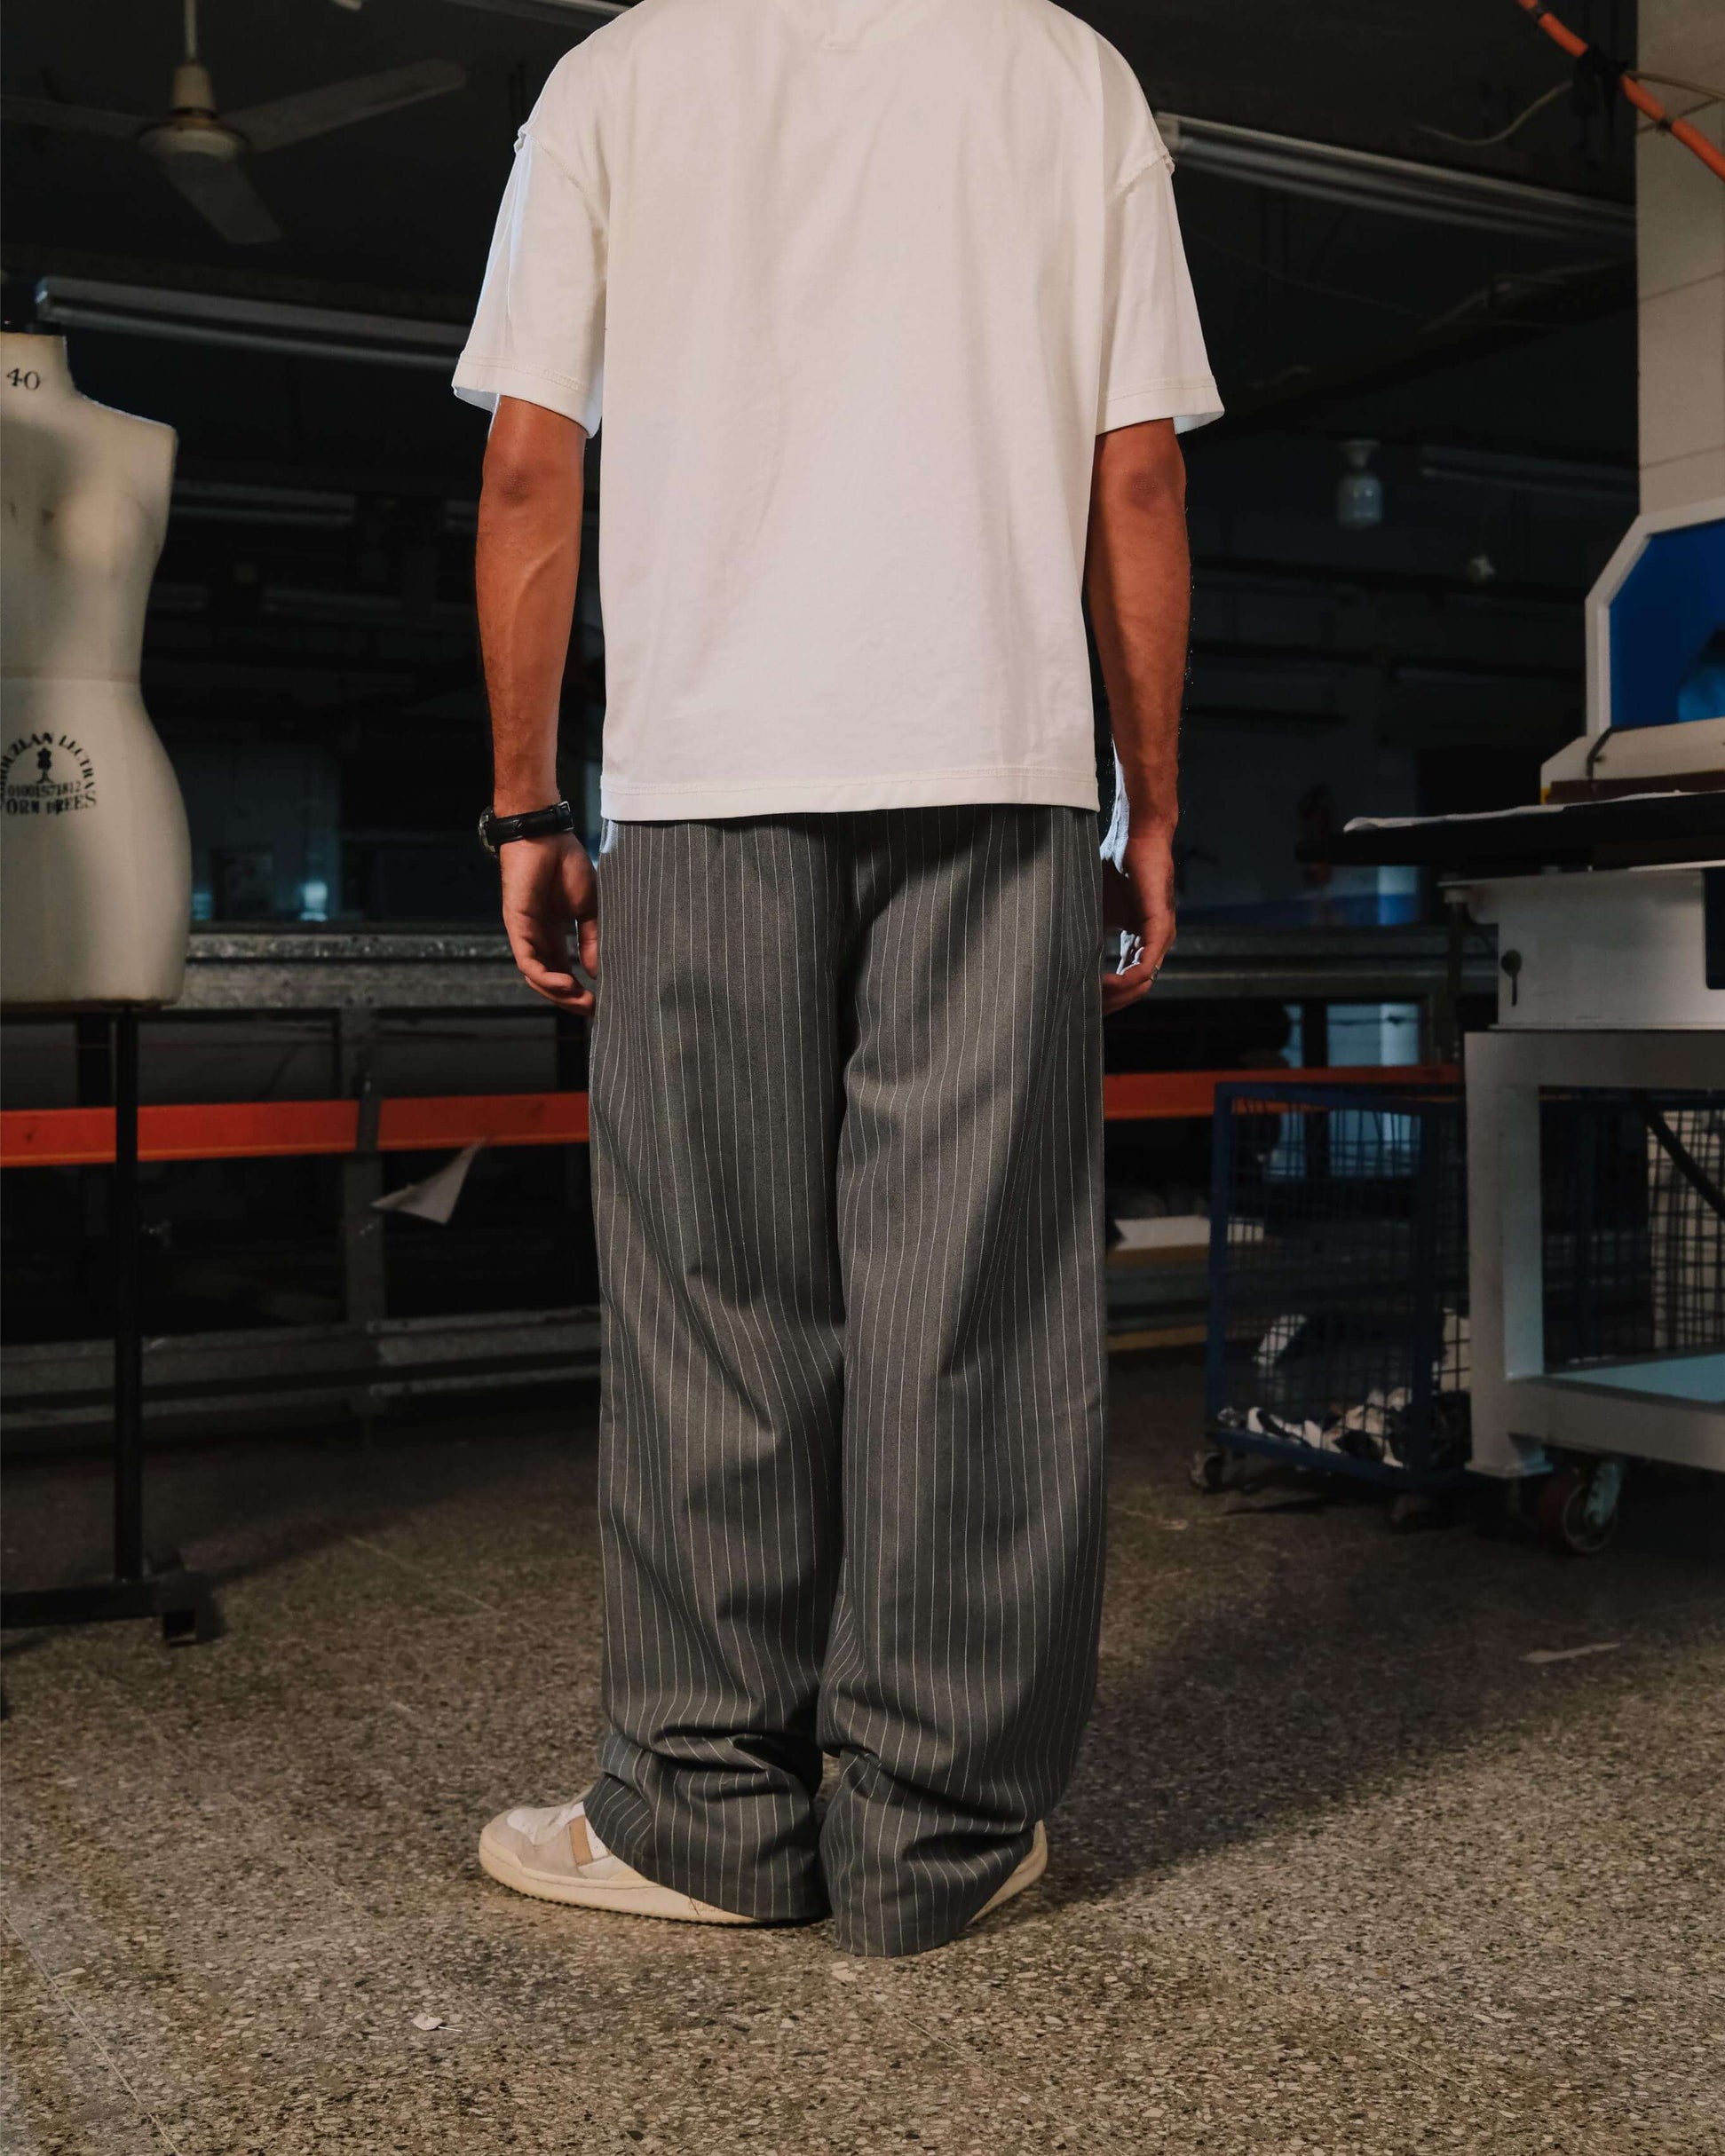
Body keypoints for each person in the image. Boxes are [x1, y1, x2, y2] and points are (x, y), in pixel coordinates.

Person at [455, 0, 1218, 1960]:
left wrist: (528, 801)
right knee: (972, 1303)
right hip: (998, 768)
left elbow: (535, 466)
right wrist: (1148, 802)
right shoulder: (1064, 72)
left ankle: (706, 1818)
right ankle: (933, 1841)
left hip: (712, 784)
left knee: (716, 1293)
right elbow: (1136, 477)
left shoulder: (621, 75)